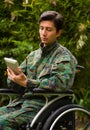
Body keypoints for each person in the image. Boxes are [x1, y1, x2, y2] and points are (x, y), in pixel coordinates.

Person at [0, 11, 77, 129]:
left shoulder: (63, 56)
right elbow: (18, 85)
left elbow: (61, 83)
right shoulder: (32, 56)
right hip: (21, 103)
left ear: (58, 33)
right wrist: (14, 78)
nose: (43, 33)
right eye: (41, 28)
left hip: (43, 106)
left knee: (2, 122)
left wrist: (27, 82)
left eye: (48, 29)